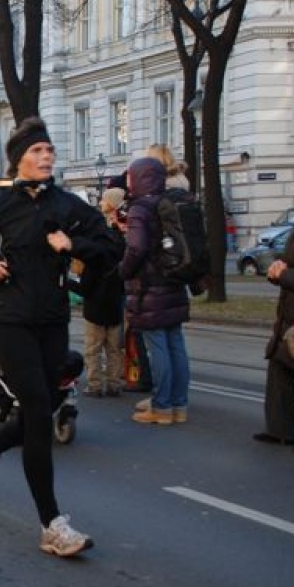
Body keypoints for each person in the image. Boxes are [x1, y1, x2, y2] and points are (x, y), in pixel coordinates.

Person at [0, 117, 119, 557]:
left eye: (49, 150)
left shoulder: (68, 205)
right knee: (38, 410)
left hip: (52, 319)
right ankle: (52, 525)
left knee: (41, 408)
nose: (46, 157)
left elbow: (110, 248)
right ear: (19, 160)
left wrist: (74, 247)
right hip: (8, 318)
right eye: (36, 151)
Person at [119, 157, 191, 425]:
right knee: (176, 345)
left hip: (149, 287)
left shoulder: (140, 208)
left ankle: (161, 406)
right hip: (174, 282)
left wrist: (123, 271)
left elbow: (136, 248)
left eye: (129, 176)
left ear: (139, 178)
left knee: (158, 347)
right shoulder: (170, 201)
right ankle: (178, 404)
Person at [256, 223, 294, 448]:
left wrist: (285, 274)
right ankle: (279, 430)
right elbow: (289, 260)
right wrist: (276, 268)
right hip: (289, 312)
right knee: (279, 365)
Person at [81, 188, 126, 397]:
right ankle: (114, 383)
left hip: (95, 307)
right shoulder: (121, 243)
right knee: (115, 349)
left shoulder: (94, 256)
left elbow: (85, 286)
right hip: (115, 304)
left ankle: (95, 384)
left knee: (93, 349)